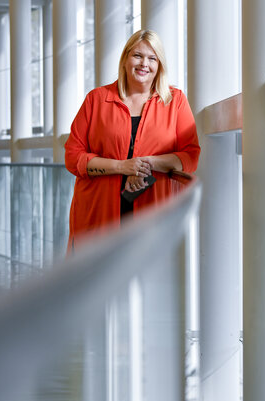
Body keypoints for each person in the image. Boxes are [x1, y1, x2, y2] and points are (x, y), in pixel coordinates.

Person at [65, 29, 200, 252]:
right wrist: (121, 167)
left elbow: (190, 156)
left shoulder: (175, 101)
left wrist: (144, 164)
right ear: (126, 58)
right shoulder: (96, 100)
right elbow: (72, 156)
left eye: (152, 58)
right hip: (98, 213)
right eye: (137, 55)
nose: (144, 63)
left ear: (160, 65)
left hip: (153, 213)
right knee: (98, 281)